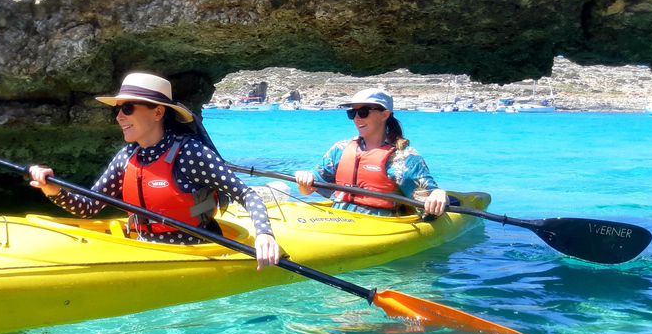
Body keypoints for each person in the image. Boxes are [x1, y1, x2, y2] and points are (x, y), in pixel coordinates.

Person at [29, 72, 280, 270]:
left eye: (127, 108)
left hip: (195, 253)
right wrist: (52, 189)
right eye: (117, 109)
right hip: (144, 250)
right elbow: (87, 207)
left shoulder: (189, 153)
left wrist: (264, 234)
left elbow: (247, 195)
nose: (118, 116)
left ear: (158, 112)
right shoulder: (126, 157)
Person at [295, 88, 448, 218]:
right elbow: (307, 190)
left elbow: (429, 202)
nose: (356, 118)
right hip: (338, 216)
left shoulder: (403, 157)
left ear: (384, 115)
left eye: (363, 112)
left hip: (380, 221)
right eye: (352, 113)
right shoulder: (340, 149)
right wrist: (304, 180)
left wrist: (439, 194)